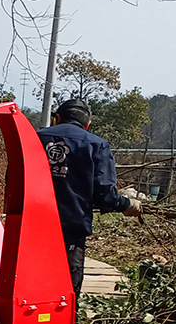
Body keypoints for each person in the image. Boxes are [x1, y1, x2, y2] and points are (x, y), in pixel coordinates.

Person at [37, 98, 142, 298]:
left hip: (30, 229)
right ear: (87, 125)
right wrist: (128, 204)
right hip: (71, 232)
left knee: (29, 289)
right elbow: (105, 196)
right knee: (66, 293)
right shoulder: (96, 145)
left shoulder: (34, 138)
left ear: (56, 119)